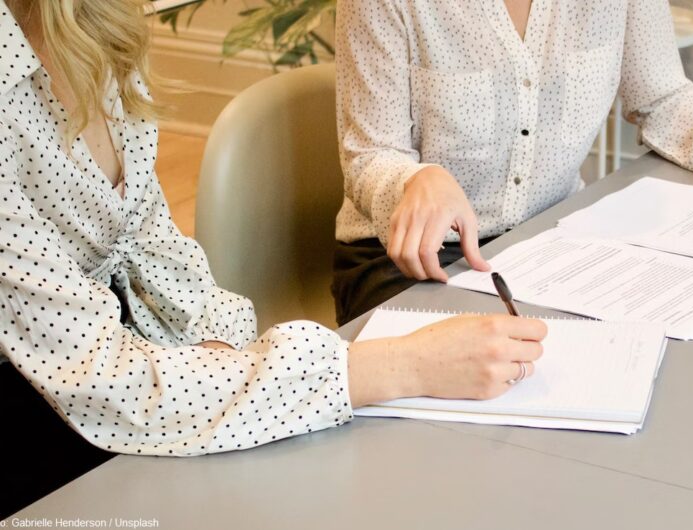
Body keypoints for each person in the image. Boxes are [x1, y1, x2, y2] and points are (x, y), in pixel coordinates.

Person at [0, 0, 546, 517]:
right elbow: (103, 377)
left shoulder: (97, 29)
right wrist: (402, 366)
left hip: (127, 369)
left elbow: (154, 249)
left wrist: (222, 354)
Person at [332, 0, 693, 324]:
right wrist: (416, 180)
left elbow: (661, 98)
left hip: (550, 245)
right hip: (408, 262)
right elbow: (370, 155)